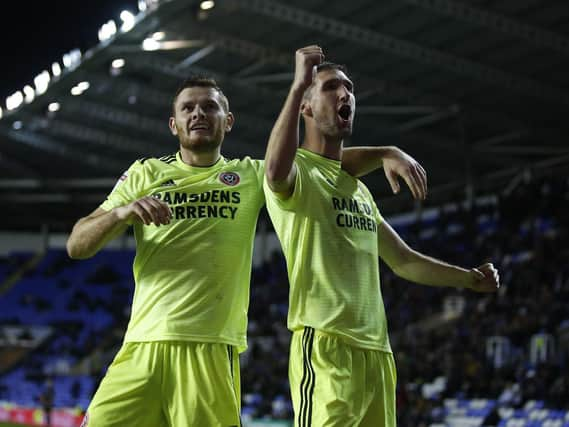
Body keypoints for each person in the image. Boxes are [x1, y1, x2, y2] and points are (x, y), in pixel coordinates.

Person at [66, 76, 427, 427]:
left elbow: (326, 164)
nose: (198, 114)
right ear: (173, 125)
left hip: (210, 350)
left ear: (228, 121)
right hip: (140, 347)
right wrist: (122, 212)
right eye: (188, 108)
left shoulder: (251, 175)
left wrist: (386, 154)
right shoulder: (144, 173)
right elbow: (77, 244)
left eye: (210, 107)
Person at [263, 45, 500, 427]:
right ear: (306, 108)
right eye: (330, 88)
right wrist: (297, 85)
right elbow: (275, 171)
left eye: (350, 88)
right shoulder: (298, 173)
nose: (345, 95)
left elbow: (403, 260)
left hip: (377, 352)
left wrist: (468, 279)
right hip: (326, 346)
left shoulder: (358, 191)